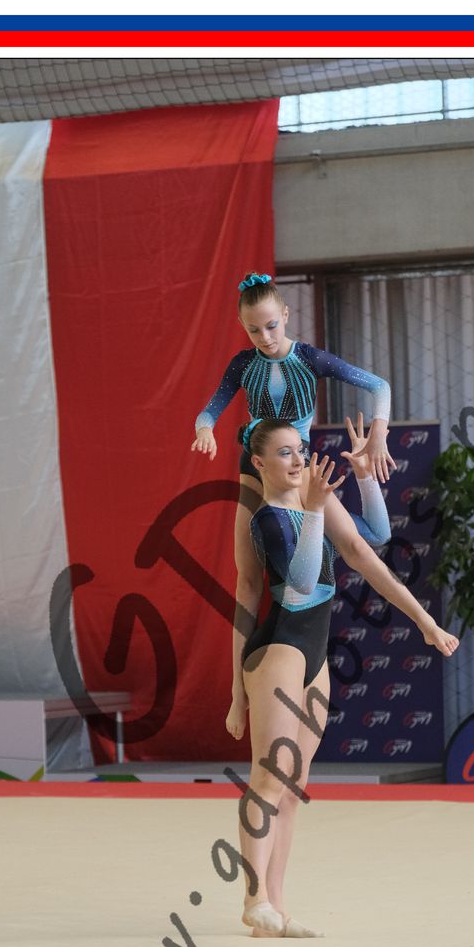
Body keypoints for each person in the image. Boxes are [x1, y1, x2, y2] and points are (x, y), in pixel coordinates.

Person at [233, 418, 459, 938]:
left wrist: (425, 622)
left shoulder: (313, 503)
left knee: (294, 788)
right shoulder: (267, 519)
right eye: (285, 453)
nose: (298, 460)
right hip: (279, 649)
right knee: (269, 777)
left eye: (301, 449)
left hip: (314, 655)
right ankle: (253, 898)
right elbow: (300, 581)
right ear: (260, 463)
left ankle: (276, 909)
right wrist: (314, 509)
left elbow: (368, 544)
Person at [190, 272, 397, 739]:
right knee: (247, 582)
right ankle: (237, 692)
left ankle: (420, 623)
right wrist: (205, 428)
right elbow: (211, 408)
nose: (264, 338)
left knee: (360, 545)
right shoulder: (243, 364)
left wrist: (379, 433)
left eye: (271, 326)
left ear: (285, 315)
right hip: (255, 470)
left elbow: (379, 385)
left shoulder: (310, 358)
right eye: (253, 330)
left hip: (296, 468)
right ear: (243, 328)